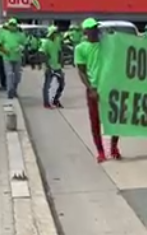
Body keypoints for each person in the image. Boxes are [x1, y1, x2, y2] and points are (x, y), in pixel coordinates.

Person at [75, 18, 122, 163]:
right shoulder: (81, 48)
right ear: (85, 32)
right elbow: (81, 71)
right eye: (92, 28)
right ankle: (100, 151)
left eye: (96, 28)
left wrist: (115, 36)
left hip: (110, 87)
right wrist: (90, 89)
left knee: (116, 119)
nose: (95, 31)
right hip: (94, 88)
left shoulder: (106, 44)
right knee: (95, 122)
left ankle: (114, 147)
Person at [0, 20, 26, 100]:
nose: (12, 26)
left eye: (13, 25)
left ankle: (14, 90)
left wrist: (21, 48)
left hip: (17, 58)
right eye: (10, 25)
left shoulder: (20, 35)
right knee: (9, 74)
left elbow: (24, 44)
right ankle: (10, 91)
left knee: (17, 76)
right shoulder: (4, 34)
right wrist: (5, 51)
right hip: (7, 58)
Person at [41, 26, 66, 109]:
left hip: (57, 66)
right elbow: (43, 55)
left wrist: (61, 61)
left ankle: (56, 100)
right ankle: (46, 103)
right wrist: (48, 66)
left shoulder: (57, 40)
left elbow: (59, 51)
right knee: (47, 85)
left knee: (62, 84)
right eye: (55, 33)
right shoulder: (46, 43)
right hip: (49, 67)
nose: (56, 34)